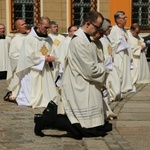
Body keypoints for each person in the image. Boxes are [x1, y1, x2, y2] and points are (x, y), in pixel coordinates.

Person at [34, 11, 112, 139]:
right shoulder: (78, 42)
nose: (99, 30)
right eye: (97, 27)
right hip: (79, 84)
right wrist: (105, 70)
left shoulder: (89, 39)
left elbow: (96, 62)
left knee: (94, 127)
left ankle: (51, 117)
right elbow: (90, 70)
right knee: (80, 129)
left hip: (88, 84)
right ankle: (46, 119)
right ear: (88, 24)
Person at [15, 16, 60, 108]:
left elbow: (53, 52)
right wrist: (44, 59)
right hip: (32, 70)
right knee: (32, 95)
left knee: (49, 97)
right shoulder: (29, 39)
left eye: (48, 28)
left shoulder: (49, 39)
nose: (47, 30)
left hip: (45, 70)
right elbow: (28, 56)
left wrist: (52, 58)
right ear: (39, 25)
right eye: (45, 27)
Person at [109, 11, 134, 93]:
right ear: (118, 20)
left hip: (125, 54)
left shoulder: (124, 30)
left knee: (126, 72)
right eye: (123, 18)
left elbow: (128, 43)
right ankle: (121, 87)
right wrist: (120, 42)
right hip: (119, 55)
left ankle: (126, 86)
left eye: (125, 18)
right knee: (120, 72)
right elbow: (112, 44)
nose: (126, 20)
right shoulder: (114, 30)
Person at [4, 19, 27, 102]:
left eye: (25, 23)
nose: (25, 25)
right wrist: (24, 60)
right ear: (17, 28)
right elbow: (13, 56)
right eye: (22, 24)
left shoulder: (30, 37)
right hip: (21, 68)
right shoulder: (15, 40)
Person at [100, 19, 122, 101]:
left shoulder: (107, 38)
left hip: (111, 64)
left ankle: (112, 95)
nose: (111, 28)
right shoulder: (100, 39)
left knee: (116, 81)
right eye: (109, 27)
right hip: (106, 64)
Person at [48, 21, 66, 85]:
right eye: (54, 27)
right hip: (51, 61)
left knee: (60, 76)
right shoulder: (48, 37)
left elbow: (64, 49)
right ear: (50, 28)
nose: (56, 28)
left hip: (60, 60)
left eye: (57, 27)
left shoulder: (62, 38)